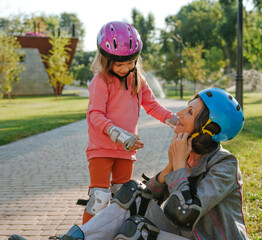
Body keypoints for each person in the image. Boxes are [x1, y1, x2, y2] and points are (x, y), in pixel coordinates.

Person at [9, 88, 248, 240]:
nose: (179, 114)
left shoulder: (224, 164)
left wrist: (178, 167)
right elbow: (150, 194)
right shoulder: (185, 153)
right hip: (183, 234)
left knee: (138, 232)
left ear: (208, 129)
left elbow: (183, 214)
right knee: (131, 193)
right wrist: (169, 169)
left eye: (189, 112)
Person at [79, 21, 178, 224]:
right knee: (100, 198)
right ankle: (86, 235)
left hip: (126, 151)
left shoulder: (137, 79)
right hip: (101, 149)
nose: (126, 68)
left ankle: (114, 234)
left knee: (123, 198)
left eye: (130, 62)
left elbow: (152, 106)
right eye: (119, 64)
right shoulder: (101, 81)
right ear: (106, 60)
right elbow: (95, 115)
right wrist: (122, 136)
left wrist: (173, 120)